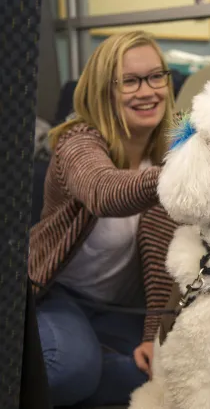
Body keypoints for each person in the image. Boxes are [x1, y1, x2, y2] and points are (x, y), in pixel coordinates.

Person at [28, 30, 177, 407]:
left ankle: (86, 354)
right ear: (103, 90)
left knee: (169, 375)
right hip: (55, 292)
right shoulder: (78, 142)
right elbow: (104, 191)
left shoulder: (169, 155)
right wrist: (184, 173)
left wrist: (152, 335)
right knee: (68, 372)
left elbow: (165, 264)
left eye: (156, 76)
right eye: (130, 81)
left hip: (119, 308)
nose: (148, 91)